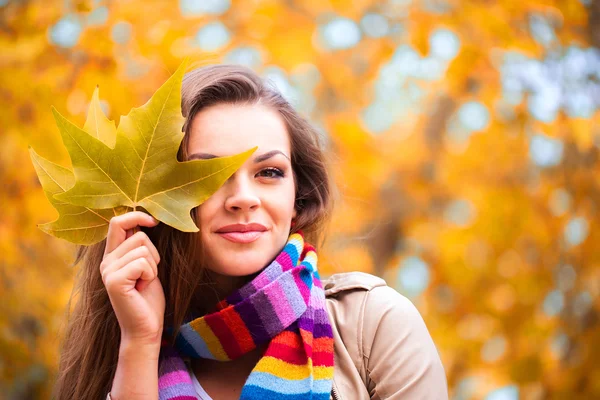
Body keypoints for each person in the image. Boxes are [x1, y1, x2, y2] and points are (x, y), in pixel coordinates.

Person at [53, 64, 448, 400]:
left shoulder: (373, 325)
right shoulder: (119, 346)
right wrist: (139, 342)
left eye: (269, 173)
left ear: (298, 198)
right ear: (156, 203)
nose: (243, 198)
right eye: (210, 175)